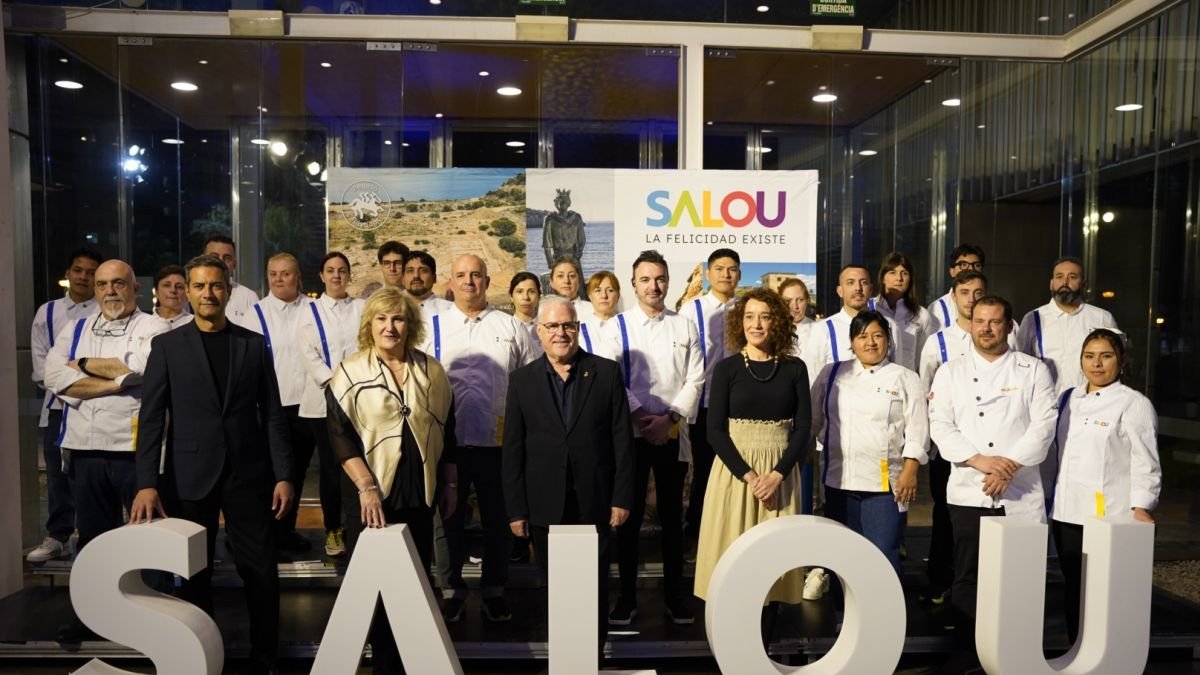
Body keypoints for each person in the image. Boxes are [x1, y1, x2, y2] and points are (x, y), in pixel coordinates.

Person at [131, 254, 293, 675]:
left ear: (228, 288)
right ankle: (201, 656)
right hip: (188, 477)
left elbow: (273, 415)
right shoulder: (166, 346)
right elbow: (151, 420)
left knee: (260, 570)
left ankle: (266, 657)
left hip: (249, 474)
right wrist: (146, 483)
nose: (208, 294)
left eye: (215, 286)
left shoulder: (253, 345)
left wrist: (284, 475)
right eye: (200, 286)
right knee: (194, 574)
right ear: (188, 289)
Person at [325, 287, 458, 675]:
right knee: (376, 589)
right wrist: (365, 487)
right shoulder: (350, 370)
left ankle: (407, 662)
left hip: (420, 490)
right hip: (371, 493)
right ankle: (382, 662)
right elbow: (339, 435)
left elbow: (448, 429)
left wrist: (450, 485)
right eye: (382, 319)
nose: (390, 327)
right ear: (370, 324)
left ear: (410, 324)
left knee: (414, 583)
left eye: (398, 318)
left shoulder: (431, 369)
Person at [928, 295, 1057, 671]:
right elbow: (941, 425)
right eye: (979, 321)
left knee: (1023, 577)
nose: (986, 328)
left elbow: (1044, 425)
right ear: (970, 325)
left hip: (1020, 490)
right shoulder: (950, 372)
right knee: (968, 576)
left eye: (995, 321)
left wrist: (1009, 466)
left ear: (1009, 326)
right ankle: (969, 651)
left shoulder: (1033, 370)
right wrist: (981, 462)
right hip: (970, 489)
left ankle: (1021, 652)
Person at [44, 259, 170, 641]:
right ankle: (91, 616)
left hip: (138, 453)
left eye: (118, 283)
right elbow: (54, 378)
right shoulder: (75, 327)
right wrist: (117, 382)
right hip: (85, 450)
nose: (109, 291)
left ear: (135, 288)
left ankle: (153, 621)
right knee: (94, 541)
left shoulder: (155, 326)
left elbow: (144, 373)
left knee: (146, 540)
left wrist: (80, 368)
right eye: (102, 285)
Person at [502, 296, 634, 659]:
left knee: (594, 586)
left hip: (596, 500)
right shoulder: (522, 380)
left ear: (577, 328)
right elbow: (513, 449)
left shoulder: (606, 373)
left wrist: (622, 497)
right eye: (552, 326)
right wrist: (516, 510)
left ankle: (592, 657)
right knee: (553, 586)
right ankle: (563, 657)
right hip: (544, 504)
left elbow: (621, 440)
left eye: (568, 325)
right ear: (538, 331)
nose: (561, 333)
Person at [418, 254, 537, 623]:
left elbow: (529, 382)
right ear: (449, 282)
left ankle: (494, 590)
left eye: (476, 275)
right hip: (445, 444)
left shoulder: (511, 327)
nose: (469, 281)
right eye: (461, 275)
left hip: (498, 444)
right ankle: (451, 589)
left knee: (498, 521)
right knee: (446, 520)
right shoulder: (429, 327)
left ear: (488, 281)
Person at [693, 288, 812, 641]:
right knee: (731, 557)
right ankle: (732, 644)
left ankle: (764, 646)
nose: (755, 324)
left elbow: (803, 428)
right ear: (738, 323)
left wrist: (777, 475)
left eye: (763, 316)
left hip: (780, 473)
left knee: (773, 563)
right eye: (748, 317)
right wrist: (749, 476)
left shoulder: (794, 368)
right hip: (735, 475)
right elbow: (714, 431)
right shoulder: (727, 368)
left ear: (777, 321)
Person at [608, 250, 704, 627]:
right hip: (630, 435)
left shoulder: (685, 326)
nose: (654, 285)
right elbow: (611, 377)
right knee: (626, 519)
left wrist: (670, 419)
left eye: (660, 278)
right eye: (645, 279)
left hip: (672, 433)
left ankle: (675, 597)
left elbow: (696, 378)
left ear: (668, 282)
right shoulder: (617, 327)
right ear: (633, 284)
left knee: (671, 518)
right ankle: (627, 597)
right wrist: (640, 416)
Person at [1050, 328, 1161, 644]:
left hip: (1107, 515)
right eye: (1089, 356)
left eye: (1106, 356)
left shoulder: (1134, 404)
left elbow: (1147, 461)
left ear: (1121, 361)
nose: (1096, 364)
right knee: (1074, 587)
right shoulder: (1068, 398)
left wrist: (1142, 507)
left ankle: (1108, 653)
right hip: (1066, 512)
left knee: (1103, 591)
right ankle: (1077, 651)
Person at [810, 310, 928, 580]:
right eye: (863, 336)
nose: (871, 342)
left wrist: (910, 471)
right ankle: (843, 614)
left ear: (888, 340)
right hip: (838, 480)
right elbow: (814, 421)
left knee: (883, 552)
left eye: (878, 335)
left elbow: (918, 430)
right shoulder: (832, 373)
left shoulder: (905, 377)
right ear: (852, 342)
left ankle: (888, 619)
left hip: (886, 485)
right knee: (841, 553)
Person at [915, 269, 993, 603]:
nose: (972, 298)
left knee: (989, 520)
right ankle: (943, 582)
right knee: (947, 516)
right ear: (954, 296)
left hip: (992, 448)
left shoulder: (1005, 333)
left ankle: (986, 586)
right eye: (965, 292)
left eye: (978, 292)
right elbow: (924, 390)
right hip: (949, 447)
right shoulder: (939, 341)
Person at [26, 246, 101, 563]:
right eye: (78, 270)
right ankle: (58, 534)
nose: (83, 277)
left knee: (87, 476)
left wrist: (78, 378)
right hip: (56, 408)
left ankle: (91, 538)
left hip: (95, 408)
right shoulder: (47, 312)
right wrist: (76, 381)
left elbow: (106, 365)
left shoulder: (104, 311)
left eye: (90, 272)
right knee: (56, 475)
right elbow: (43, 368)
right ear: (68, 274)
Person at [240, 252, 316, 553]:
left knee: (296, 473)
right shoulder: (254, 315)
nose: (279, 279)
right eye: (273, 274)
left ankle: (285, 532)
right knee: (269, 475)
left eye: (285, 273)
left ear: (297, 276)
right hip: (271, 408)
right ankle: (261, 534)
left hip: (308, 406)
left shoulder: (314, 309)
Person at [297, 252, 365, 557]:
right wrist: (334, 383)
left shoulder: (362, 308)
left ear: (349, 275)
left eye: (342, 271)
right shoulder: (308, 312)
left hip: (361, 400)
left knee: (359, 465)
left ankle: (359, 525)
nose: (337, 275)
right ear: (322, 276)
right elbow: (307, 353)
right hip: (323, 400)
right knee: (331, 468)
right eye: (330, 271)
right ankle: (333, 529)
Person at [683, 248, 742, 543]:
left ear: (739, 274)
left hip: (741, 405)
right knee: (705, 472)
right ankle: (699, 535)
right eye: (719, 268)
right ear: (708, 274)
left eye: (731, 269)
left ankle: (735, 533)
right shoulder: (691, 309)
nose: (725, 274)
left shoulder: (746, 308)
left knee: (740, 469)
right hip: (705, 403)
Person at [1017, 256, 1120, 394]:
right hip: (1045, 403)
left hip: (1089, 403)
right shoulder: (1033, 318)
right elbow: (1020, 365)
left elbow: (1115, 364)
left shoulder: (1102, 318)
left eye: (1072, 277)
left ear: (1084, 284)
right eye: (1059, 277)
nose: (1065, 282)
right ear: (1051, 283)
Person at [801, 264, 874, 387]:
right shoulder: (822, 330)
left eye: (864, 282)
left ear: (871, 290)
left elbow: (898, 373)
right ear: (840, 291)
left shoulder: (890, 326)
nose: (858, 288)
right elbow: (813, 380)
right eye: (850, 283)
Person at [872, 252, 935, 372]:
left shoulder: (921, 315)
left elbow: (920, 357)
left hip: (906, 380)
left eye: (904, 273)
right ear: (882, 278)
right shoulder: (871, 308)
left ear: (910, 279)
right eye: (892, 272)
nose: (899, 278)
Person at [202, 234, 259, 324]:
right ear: (202, 260)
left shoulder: (249, 297)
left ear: (234, 264)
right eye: (214, 257)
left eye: (227, 258)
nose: (220, 262)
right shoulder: (190, 293)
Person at [927, 244, 985, 332]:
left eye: (976, 265)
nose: (970, 269)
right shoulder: (937, 308)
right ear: (952, 271)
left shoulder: (995, 308)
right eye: (963, 264)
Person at [402, 249, 452, 321]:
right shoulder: (389, 309)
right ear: (402, 279)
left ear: (434, 278)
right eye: (410, 271)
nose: (416, 276)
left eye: (423, 271)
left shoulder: (449, 310)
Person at [580, 270, 621, 357]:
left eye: (610, 290)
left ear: (618, 296)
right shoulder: (580, 331)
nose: (604, 296)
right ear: (590, 296)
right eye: (598, 290)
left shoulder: (628, 326)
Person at [542, 188, 585, 269]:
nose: (562, 203)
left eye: (565, 200)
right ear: (555, 202)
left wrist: (578, 255)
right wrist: (551, 263)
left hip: (574, 258)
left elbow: (582, 240)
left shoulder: (577, 218)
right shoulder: (550, 219)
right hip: (558, 258)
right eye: (560, 200)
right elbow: (547, 245)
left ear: (569, 203)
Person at [548, 255, 594, 321]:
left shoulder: (592, 310)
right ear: (551, 282)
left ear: (579, 281)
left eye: (572, 276)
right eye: (560, 276)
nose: (566, 281)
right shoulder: (544, 310)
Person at [778, 277, 815, 356]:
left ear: (807, 300)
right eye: (788, 301)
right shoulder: (771, 331)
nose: (795, 306)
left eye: (800, 300)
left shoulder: (819, 331)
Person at [153, 264, 194, 330]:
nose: (173, 290)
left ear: (187, 293)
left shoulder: (195, 324)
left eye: (179, 287)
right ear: (156, 291)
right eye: (167, 285)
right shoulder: (143, 323)